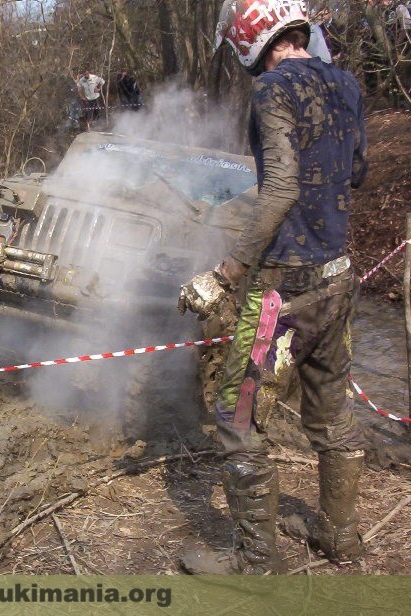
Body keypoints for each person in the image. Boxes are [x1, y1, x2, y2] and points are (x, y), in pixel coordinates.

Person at [178, 0, 368, 574]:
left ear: (249, 45)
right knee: (332, 413)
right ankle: (340, 535)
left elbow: (280, 190)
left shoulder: (271, 90)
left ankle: (255, 563)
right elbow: (356, 170)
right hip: (338, 275)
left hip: (285, 289)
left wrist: (225, 273)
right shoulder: (346, 84)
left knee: (236, 418)